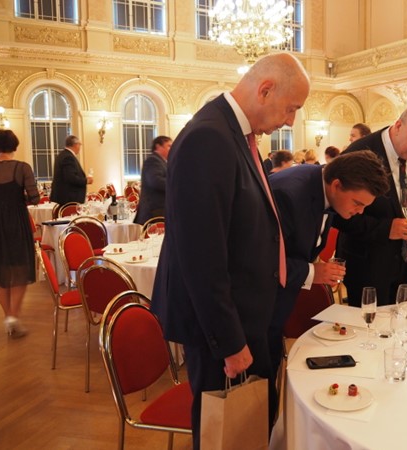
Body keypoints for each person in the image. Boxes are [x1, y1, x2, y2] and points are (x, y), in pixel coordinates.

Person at [150, 53, 310, 450]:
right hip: (221, 327)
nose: (291, 121)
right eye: (291, 108)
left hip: (244, 315)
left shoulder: (233, 134)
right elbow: (201, 256)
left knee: (245, 429)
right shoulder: (209, 138)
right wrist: (230, 342)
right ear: (265, 90)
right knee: (223, 432)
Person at [267, 150, 389, 375]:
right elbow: (260, 260)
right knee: (252, 385)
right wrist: (312, 272)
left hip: (277, 302)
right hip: (254, 308)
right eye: (357, 203)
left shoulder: (322, 187)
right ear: (336, 185)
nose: (360, 212)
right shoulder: (289, 195)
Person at [335, 103, 407, 306]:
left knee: (402, 320)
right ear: (398, 125)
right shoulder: (359, 152)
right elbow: (337, 214)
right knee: (370, 323)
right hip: (368, 266)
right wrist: (385, 229)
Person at [0, 129, 40, 338]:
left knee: (0, 272)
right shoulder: (22, 167)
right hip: (16, 222)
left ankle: (8, 315)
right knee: (19, 269)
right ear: (14, 145)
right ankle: (13, 316)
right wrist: (16, 200)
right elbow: (34, 198)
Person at [133, 135, 172, 225]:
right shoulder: (153, 160)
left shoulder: (162, 162)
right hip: (154, 210)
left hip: (158, 209)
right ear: (158, 146)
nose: (171, 149)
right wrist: (175, 185)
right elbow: (155, 181)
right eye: (169, 146)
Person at [50, 135, 93, 206]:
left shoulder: (62, 155)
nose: (80, 147)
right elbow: (71, 178)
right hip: (70, 198)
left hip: (65, 197)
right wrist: (86, 180)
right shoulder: (68, 157)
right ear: (75, 145)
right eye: (79, 144)